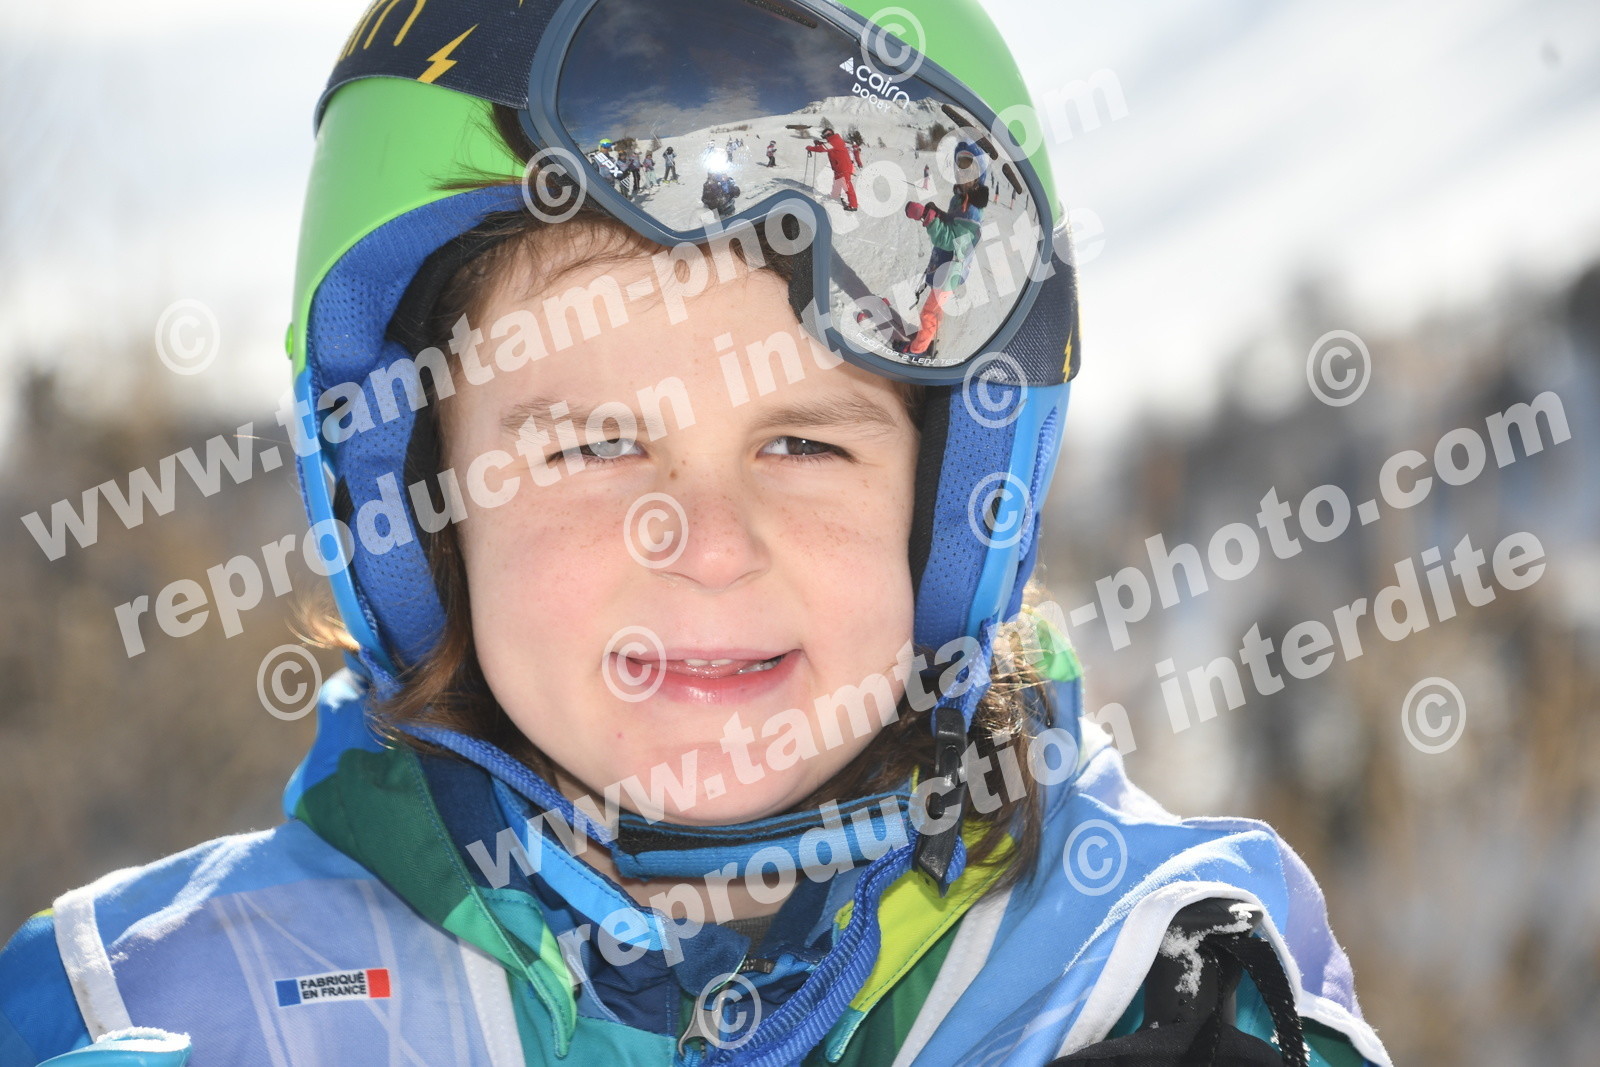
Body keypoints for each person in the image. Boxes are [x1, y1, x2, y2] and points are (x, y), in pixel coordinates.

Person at [0, 1, 1389, 1064]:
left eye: (804, 442)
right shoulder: (155, 996)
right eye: (594, 445)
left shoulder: (1146, 970)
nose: (709, 541)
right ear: (422, 504)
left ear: (946, 508)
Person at [896, 140, 992, 362]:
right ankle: (929, 337)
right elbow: (952, 223)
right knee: (935, 309)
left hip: (951, 271)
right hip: (945, 264)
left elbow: (950, 240)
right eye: (959, 165)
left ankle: (919, 350)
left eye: (968, 166)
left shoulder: (973, 212)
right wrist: (938, 213)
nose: (962, 172)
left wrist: (928, 218)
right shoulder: (960, 199)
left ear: (979, 175)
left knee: (928, 312)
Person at [805, 126, 858, 211]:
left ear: (828, 135)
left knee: (847, 187)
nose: (825, 138)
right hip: (839, 167)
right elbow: (827, 146)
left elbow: (823, 148)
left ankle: (853, 205)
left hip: (843, 167)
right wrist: (819, 143)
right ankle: (835, 196)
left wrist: (810, 148)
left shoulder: (835, 141)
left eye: (825, 137)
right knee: (837, 183)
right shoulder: (834, 140)